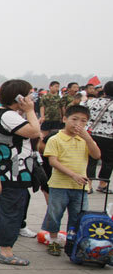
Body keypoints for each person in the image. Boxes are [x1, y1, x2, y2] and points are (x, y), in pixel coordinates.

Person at [0, 79, 41, 265]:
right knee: (12, 210)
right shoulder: (10, 116)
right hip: (14, 172)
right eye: (29, 94)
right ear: (19, 97)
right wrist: (29, 111)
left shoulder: (0, 114)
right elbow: (34, 131)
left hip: (2, 171)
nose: (32, 97)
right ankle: (6, 251)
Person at [41, 104, 101, 256]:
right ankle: (53, 240)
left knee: (78, 215)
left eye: (83, 121)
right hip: (59, 184)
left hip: (80, 187)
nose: (78, 124)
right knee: (55, 214)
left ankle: (72, 241)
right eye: (74, 119)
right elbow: (53, 162)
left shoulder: (84, 140)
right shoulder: (55, 139)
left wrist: (87, 138)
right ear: (64, 119)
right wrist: (73, 174)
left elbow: (96, 155)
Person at [86, 81, 113, 193]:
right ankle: (102, 184)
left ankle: (88, 185)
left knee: (90, 160)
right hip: (109, 136)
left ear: (104, 90)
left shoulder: (92, 102)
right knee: (108, 161)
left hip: (90, 135)